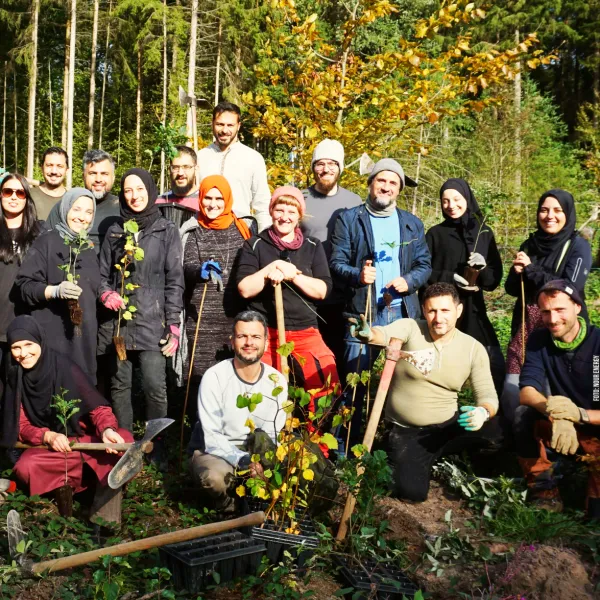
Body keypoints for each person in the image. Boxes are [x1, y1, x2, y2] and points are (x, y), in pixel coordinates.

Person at [353, 282, 501, 502]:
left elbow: (487, 394)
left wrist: (483, 412)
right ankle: (407, 457)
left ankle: (454, 459)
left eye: (445, 311)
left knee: (498, 432)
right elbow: (383, 334)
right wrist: (368, 334)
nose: (438, 318)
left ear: (458, 311)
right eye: (432, 310)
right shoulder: (411, 328)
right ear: (424, 310)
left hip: (447, 425)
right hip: (408, 431)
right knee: (412, 492)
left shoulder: (472, 348)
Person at [330, 158, 431, 446]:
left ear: (399, 189)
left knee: (404, 385)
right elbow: (336, 263)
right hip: (362, 313)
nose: (385, 187)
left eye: (392, 183)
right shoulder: (349, 219)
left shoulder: (412, 224)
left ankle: (393, 449)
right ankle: (344, 450)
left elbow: (424, 265)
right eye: (381, 180)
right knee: (353, 385)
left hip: (401, 314)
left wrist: (409, 281)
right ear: (370, 183)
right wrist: (358, 275)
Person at [0, 316, 132, 523]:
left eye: (28, 345)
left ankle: (103, 519)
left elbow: (97, 408)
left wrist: (107, 430)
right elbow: (22, 426)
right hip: (52, 449)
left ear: (40, 341)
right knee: (26, 467)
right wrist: (48, 436)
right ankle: (85, 485)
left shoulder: (63, 366)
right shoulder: (14, 375)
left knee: (124, 442)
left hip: (85, 441)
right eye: (16, 347)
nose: (23, 354)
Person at [98, 168, 184, 468]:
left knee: (154, 386)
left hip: (153, 322)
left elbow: (175, 280)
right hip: (120, 325)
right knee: (119, 385)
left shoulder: (166, 231)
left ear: (150, 190)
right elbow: (101, 275)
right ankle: (125, 447)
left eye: (139, 189)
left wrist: (173, 325)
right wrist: (105, 294)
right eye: (128, 190)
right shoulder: (115, 230)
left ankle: (155, 443)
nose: (134, 195)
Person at [237, 186, 339, 400]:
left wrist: (293, 276)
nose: (285, 217)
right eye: (279, 210)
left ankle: (314, 433)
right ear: (271, 211)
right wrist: (270, 268)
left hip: (305, 331)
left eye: (291, 212)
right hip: (264, 333)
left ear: (300, 215)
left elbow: (322, 291)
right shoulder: (254, 244)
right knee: (262, 392)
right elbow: (245, 289)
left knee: (325, 387)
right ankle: (268, 433)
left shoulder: (312, 245)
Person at [502, 189, 592, 421]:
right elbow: (513, 289)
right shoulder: (529, 244)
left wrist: (531, 269)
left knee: (555, 389)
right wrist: (517, 271)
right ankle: (515, 443)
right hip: (526, 326)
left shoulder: (577, 246)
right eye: (544, 210)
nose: (549, 216)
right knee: (515, 387)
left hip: (561, 326)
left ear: (568, 213)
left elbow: (570, 286)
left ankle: (565, 440)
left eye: (557, 210)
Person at [514, 280, 600, 517]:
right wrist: (557, 413)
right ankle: (544, 490)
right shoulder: (539, 340)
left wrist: (579, 415)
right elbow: (527, 391)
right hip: (562, 426)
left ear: (577, 307)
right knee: (523, 416)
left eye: (560, 309)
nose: (552, 319)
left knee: (594, 518)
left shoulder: (598, 344)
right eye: (545, 312)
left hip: (595, 427)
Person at [188, 311, 287, 511]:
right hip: (214, 451)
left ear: (266, 343)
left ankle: (259, 503)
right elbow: (212, 437)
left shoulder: (277, 381)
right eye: (242, 336)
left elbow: (272, 434)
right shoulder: (214, 377)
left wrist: (261, 462)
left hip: (254, 452)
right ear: (232, 341)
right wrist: (243, 461)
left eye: (256, 337)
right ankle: (226, 505)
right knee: (215, 478)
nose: (249, 342)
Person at [175, 175, 255, 395]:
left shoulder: (243, 228)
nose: (213, 204)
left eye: (219, 198)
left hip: (235, 317)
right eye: (208, 197)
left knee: (234, 380)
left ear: (228, 199)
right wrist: (200, 271)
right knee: (202, 382)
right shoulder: (193, 229)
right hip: (200, 319)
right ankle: (200, 428)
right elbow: (186, 266)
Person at [425, 178, 504, 393]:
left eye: (456, 199)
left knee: (493, 364)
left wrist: (482, 269)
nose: (451, 205)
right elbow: (424, 271)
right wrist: (450, 278)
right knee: (439, 370)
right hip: (441, 312)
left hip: (473, 310)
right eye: (445, 201)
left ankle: (492, 413)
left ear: (467, 199)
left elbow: (493, 281)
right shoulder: (435, 234)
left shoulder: (483, 233)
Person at [15, 188, 100, 383]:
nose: (82, 217)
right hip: (55, 337)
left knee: (81, 397)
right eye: (76, 209)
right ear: (65, 209)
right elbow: (24, 285)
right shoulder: (47, 241)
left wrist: (105, 293)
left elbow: (93, 286)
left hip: (83, 340)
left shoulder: (88, 248)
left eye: (89, 212)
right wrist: (53, 291)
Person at [301, 139, 362, 367]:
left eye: (332, 164)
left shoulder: (353, 201)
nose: (326, 169)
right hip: (306, 288)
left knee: (336, 352)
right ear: (313, 167)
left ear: (340, 168)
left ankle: (336, 400)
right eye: (320, 163)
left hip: (340, 289)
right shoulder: (301, 199)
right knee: (308, 351)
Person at [198, 102, 271, 231]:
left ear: (238, 126)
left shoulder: (253, 158)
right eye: (220, 124)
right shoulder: (200, 158)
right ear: (212, 124)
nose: (225, 130)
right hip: (203, 232)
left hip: (241, 232)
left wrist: (264, 242)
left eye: (230, 125)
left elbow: (262, 205)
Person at [0, 174, 43, 359]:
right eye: (8, 191)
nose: (14, 197)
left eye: (20, 193)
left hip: (26, 329)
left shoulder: (41, 233)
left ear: (27, 198)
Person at [46, 150, 119, 253]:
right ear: (83, 176)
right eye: (92, 173)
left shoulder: (122, 210)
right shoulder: (65, 207)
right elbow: (45, 245)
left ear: (113, 178)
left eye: (104, 174)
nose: (98, 179)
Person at [156, 146, 201, 228]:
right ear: (169, 169)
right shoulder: (159, 202)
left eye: (186, 167)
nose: (180, 173)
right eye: (175, 167)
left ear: (196, 169)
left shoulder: (206, 201)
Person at [29, 147, 69, 220]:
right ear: (42, 168)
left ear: (66, 170)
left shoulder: (73, 200)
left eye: (59, 166)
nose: (54, 171)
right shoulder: (28, 196)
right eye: (49, 165)